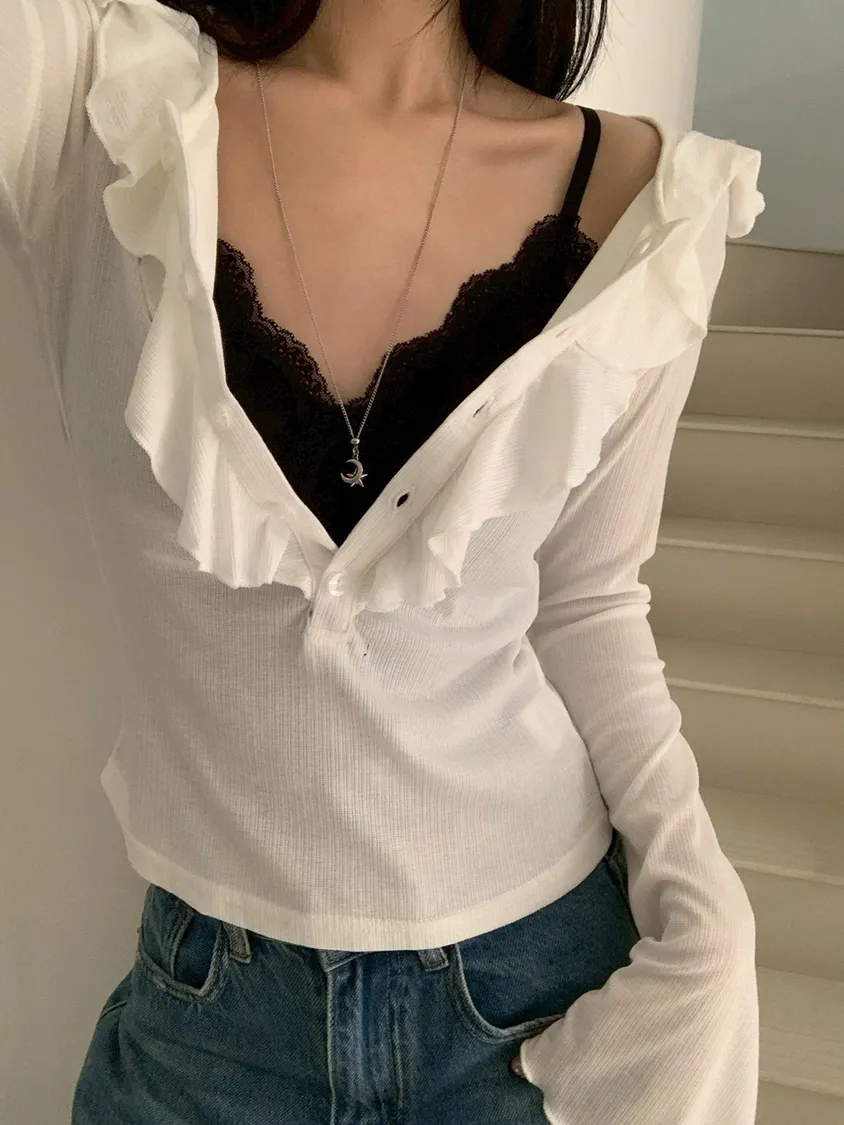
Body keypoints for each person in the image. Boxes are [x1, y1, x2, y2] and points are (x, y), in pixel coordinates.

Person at [3, 1, 764, 1122]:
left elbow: (589, 599)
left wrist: (703, 905)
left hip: (534, 993)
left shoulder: (645, 198)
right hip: (207, 1026)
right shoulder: (94, 103)